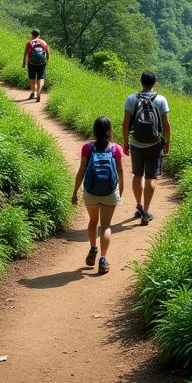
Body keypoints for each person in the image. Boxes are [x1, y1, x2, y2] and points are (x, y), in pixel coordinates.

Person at [71, 116, 125, 275]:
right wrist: (120, 191)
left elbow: (81, 172)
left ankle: (93, 248)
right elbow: (120, 172)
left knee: (93, 221)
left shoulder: (87, 148)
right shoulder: (116, 149)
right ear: (110, 131)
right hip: (109, 192)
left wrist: (74, 192)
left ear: (94, 130)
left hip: (91, 192)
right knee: (106, 225)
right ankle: (103, 259)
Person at [121, 71, 170, 226]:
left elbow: (125, 123)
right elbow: (166, 124)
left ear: (141, 82)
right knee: (151, 177)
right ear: (154, 83)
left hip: (136, 143)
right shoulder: (161, 100)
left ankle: (139, 207)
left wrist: (125, 142)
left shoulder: (131, 98)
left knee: (137, 175)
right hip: (155, 144)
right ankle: (146, 212)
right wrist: (167, 142)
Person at [22, 28, 50, 101]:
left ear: (32, 35)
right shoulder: (44, 42)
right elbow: (47, 54)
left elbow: (25, 54)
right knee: (41, 78)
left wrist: (24, 64)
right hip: (42, 63)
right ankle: (38, 93)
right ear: (39, 35)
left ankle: (33, 93)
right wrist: (47, 62)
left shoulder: (29, 43)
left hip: (31, 63)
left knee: (32, 79)